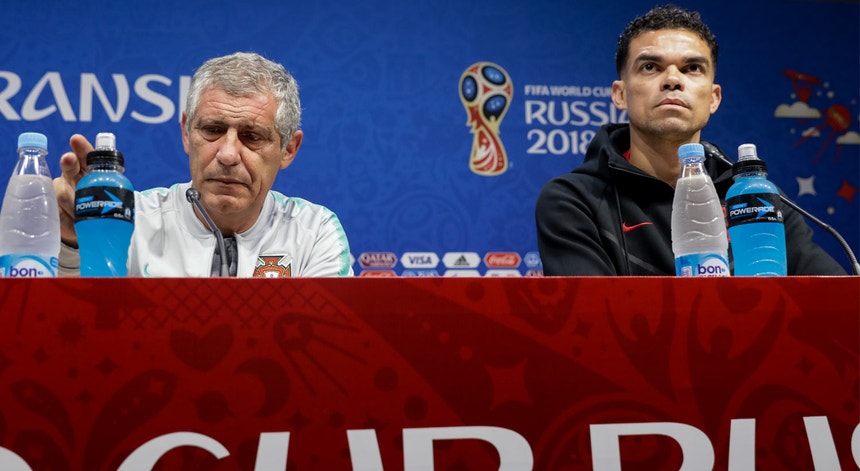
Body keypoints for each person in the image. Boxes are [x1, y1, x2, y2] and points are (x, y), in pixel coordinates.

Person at [535, 4, 847, 276]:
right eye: (650, 67)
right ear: (620, 94)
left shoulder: (754, 198)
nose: (672, 79)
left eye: (692, 68)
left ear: (714, 98)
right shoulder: (575, 200)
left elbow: (836, 302)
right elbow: (593, 319)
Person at [55, 52, 353, 277]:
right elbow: (76, 318)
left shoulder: (313, 233)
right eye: (212, 130)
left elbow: (321, 339)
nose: (228, 155)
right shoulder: (128, 218)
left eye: (252, 136)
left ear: (288, 149)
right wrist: (72, 242)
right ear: (187, 133)